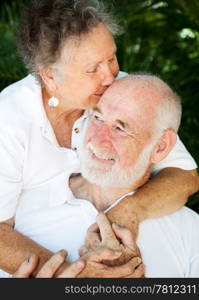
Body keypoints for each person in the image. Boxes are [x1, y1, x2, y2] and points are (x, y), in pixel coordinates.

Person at [0, 0, 198, 277]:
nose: (110, 77)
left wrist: (128, 212)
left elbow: (185, 176)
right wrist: (74, 275)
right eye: (93, 69)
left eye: (112, 58)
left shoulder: (117, 92)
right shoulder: (9, 120)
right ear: (50, 77)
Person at [14, 74, 199, 278]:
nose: (97, 140)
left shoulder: (190, 233)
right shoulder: (16, 210)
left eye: (120, 128)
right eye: (97, 118)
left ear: (161, 146)